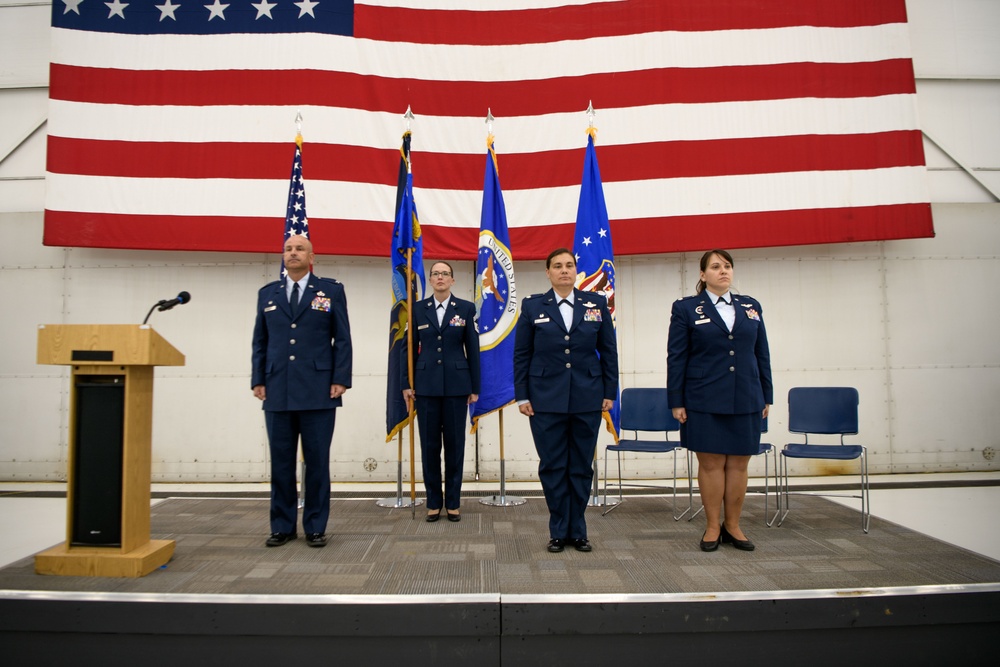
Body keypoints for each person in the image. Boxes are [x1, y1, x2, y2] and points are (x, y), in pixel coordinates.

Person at [514, 248, 618, 553]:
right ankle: (558, 529)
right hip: (545, 399)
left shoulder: (596, 303)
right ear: (548, 273)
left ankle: (578, 529)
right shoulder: (534, 306)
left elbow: (608, 352)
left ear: (576, 271)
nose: (564, 270)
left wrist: (609, 392)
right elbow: (522, 354)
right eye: (557, 266)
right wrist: (522, 394)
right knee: (553, 465)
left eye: (569, 265)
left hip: (587, 396)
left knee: (581, 466)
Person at [667, 249, 772, 552]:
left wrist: (766, 394)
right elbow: (677, 357)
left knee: (739, 464)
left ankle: (734, 525)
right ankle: (713, 526)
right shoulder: (686, 309)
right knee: (711, 464)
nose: (723, 271)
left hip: (746, 395)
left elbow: (761, 353)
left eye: (727, 266)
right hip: (703, 397)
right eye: (715, 267)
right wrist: (676, 399)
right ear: (703, 275)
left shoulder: (750, 307)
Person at [251, 234, 352, 548]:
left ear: (312, 257)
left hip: (319, 391)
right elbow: (260, 342)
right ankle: (282, 526)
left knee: (317, 463)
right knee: (281, 463)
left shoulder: (330, 291)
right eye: (288, 249)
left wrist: (340, 379)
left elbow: (343, 339)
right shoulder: (268, 293)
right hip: (277, 390)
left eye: (299, 249)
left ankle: (315, 526)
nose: (292, 253)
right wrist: (258, 379)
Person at [401, 261, 481, 522]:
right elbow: (409, 349)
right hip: (425, 387)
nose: (440, 278)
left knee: (455, 447)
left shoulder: (466, 309)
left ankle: (454, 503)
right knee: (430, 447)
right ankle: (434, 502)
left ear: (452, 280)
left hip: (458, 388)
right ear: (431, 280)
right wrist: (406, 383)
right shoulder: (417, 309)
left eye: (445, 274)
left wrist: (475, 387)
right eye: (435, 274)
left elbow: (473, 350)